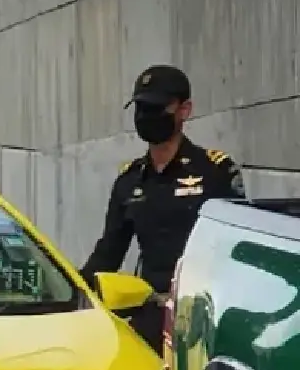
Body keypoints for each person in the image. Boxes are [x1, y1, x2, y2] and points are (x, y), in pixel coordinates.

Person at [80, 64, 247, 352]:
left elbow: (237, 250)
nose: (147, 116)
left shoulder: (216, 171)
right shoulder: (129, 179)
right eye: (141, 108)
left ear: (184, 110)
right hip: (152, 317)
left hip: (205, 320)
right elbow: (108, 252)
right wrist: (75, 291)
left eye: (157, 108)